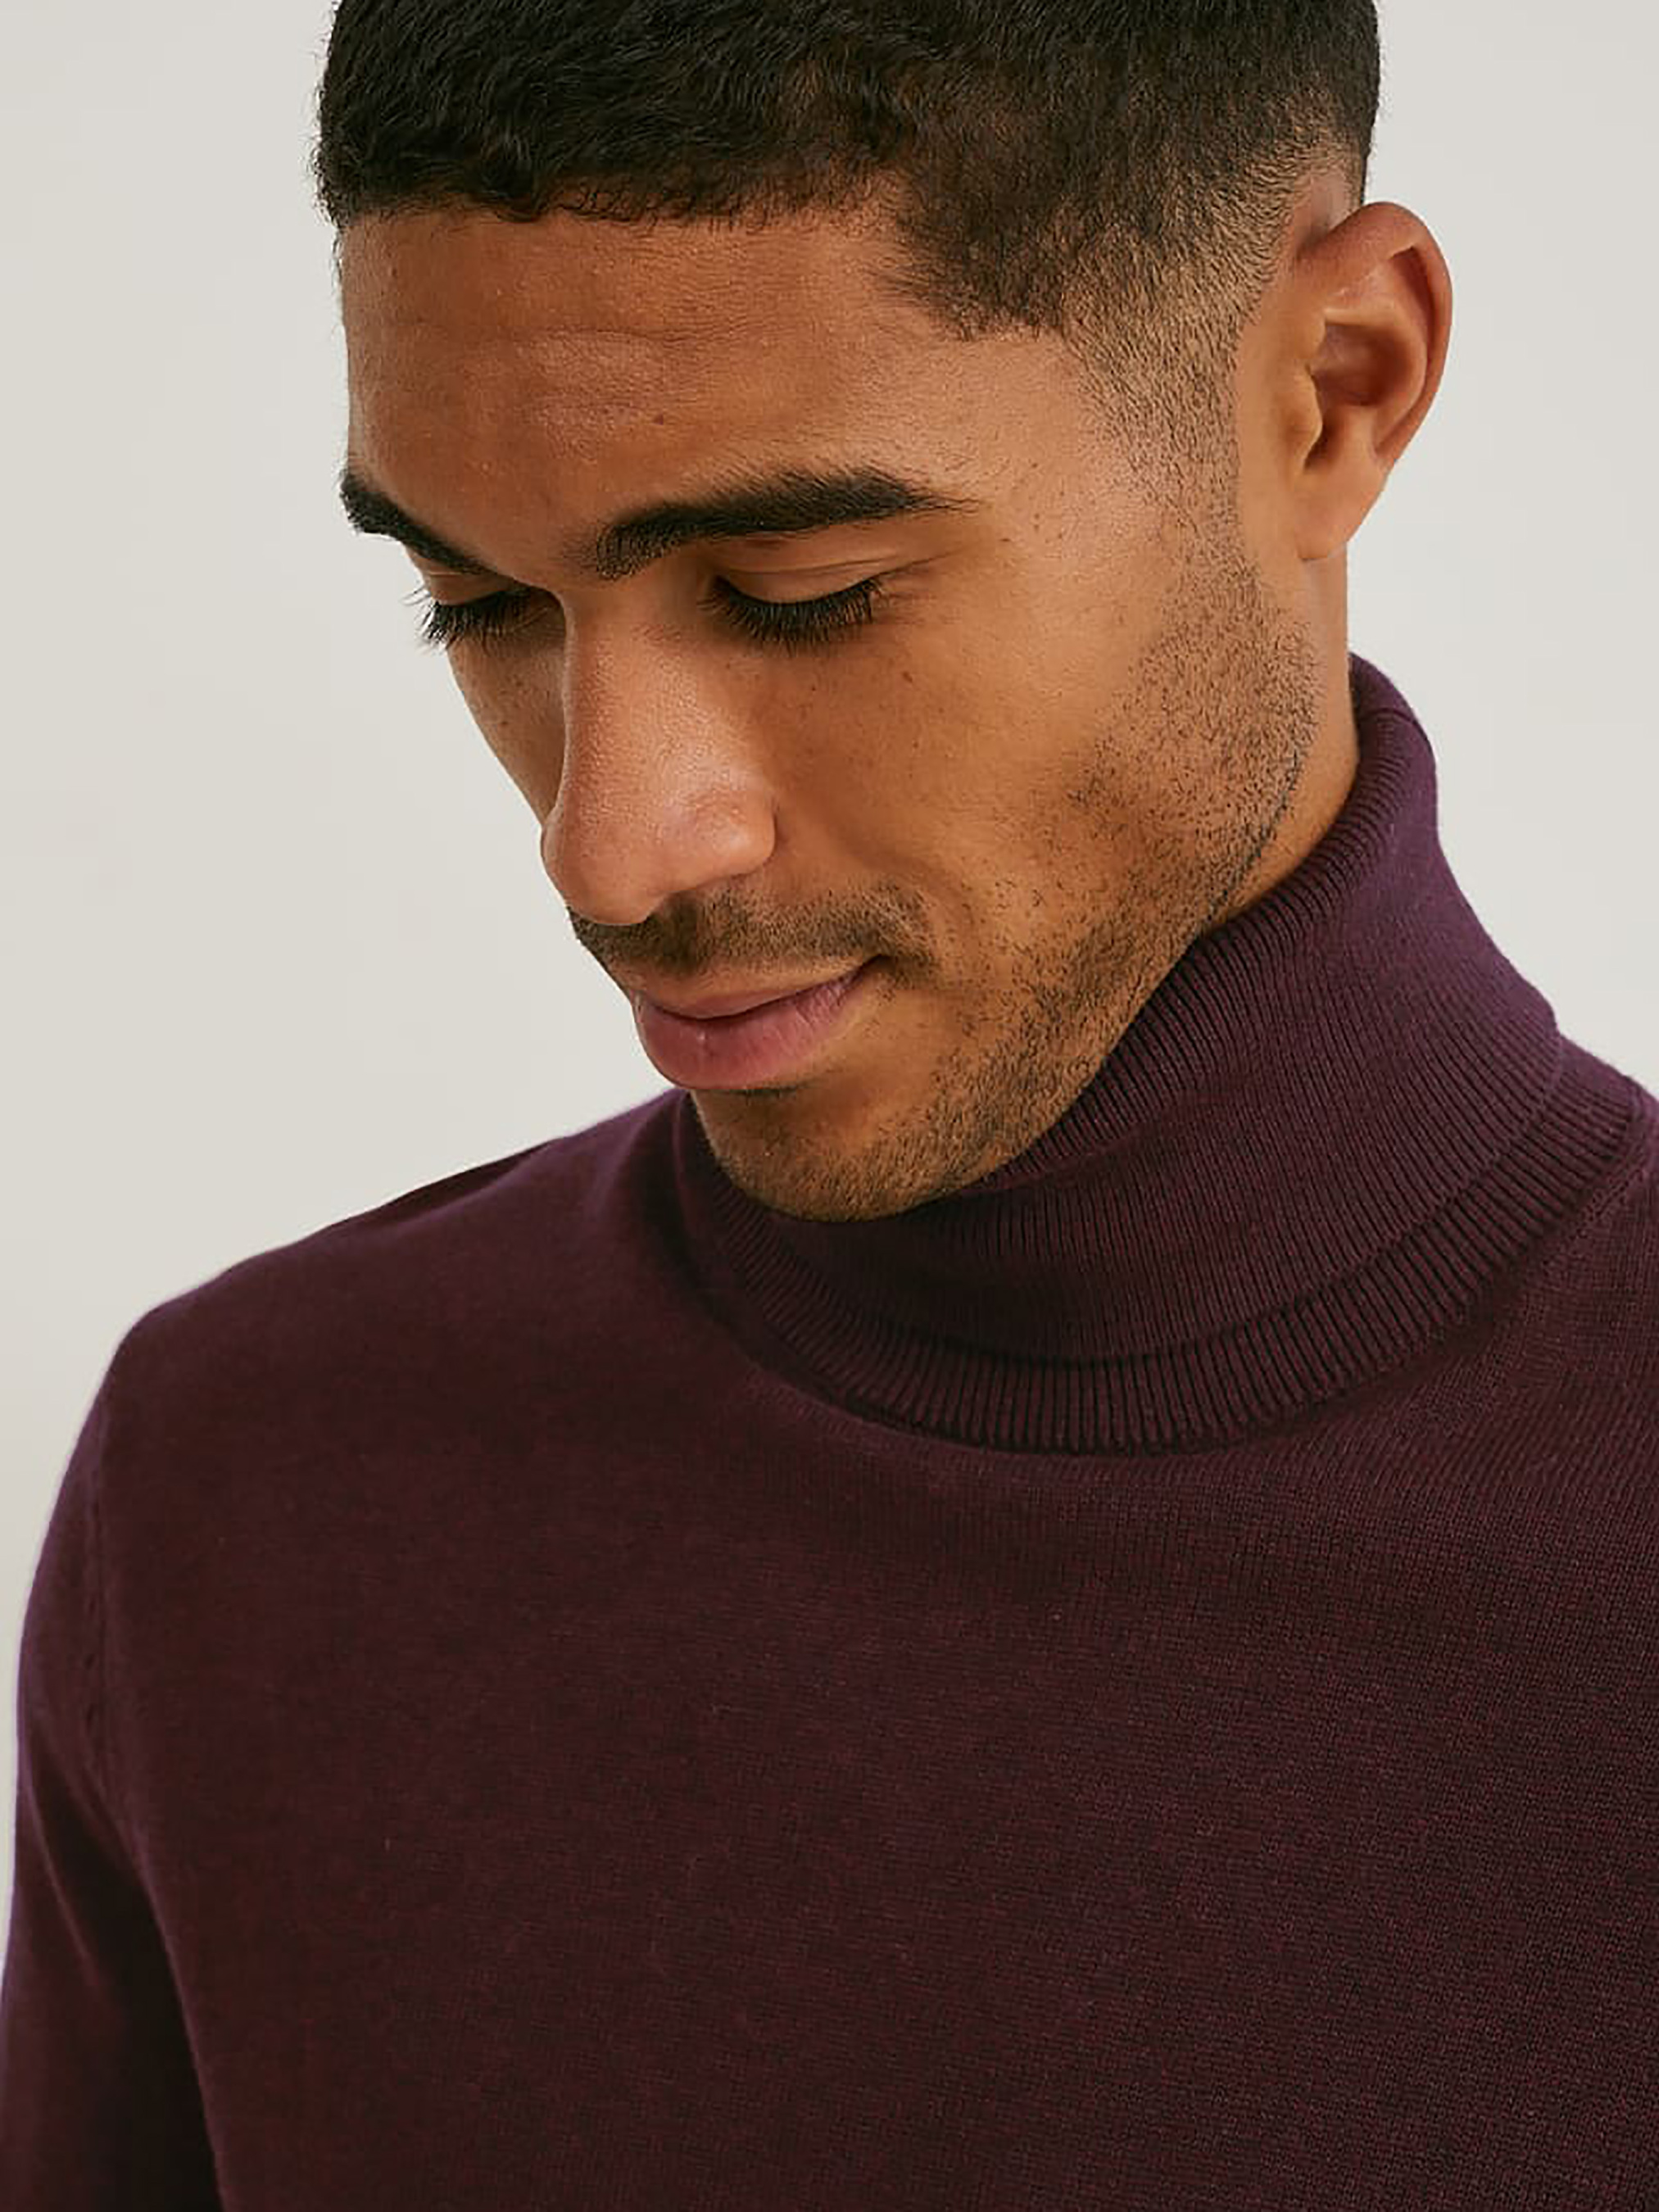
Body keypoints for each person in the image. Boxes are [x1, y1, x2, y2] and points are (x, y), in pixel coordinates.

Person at [4, 2, 1656, 2203]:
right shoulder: (246, 1493)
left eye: (805, 594)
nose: (610, 850)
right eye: (476, 604)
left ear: (1334, 389)